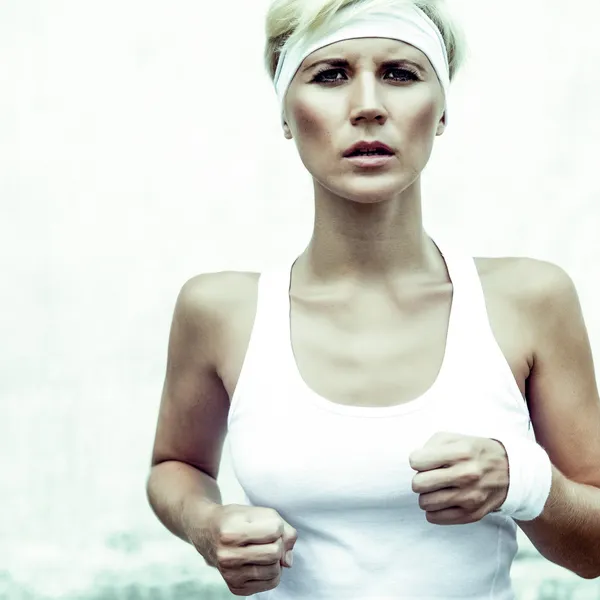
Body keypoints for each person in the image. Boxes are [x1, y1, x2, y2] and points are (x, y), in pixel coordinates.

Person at [146, 0, 600, 597]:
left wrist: (526, 481)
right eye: (330, 75)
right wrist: (207, 525)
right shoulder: (220, 311)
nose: (367, 106)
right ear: (287, 113)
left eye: (400, 74)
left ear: (441, 112)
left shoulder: (529, 300)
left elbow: (592, 553)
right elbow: (175, 466)